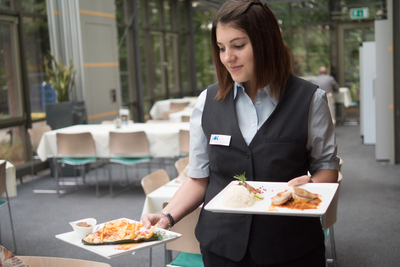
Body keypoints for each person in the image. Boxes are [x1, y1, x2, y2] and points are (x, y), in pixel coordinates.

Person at [141, 1, 339, 266]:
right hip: (222, 248)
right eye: (221, 48)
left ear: (266, 42)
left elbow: (327, 168)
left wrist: (312, 186)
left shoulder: (310, 100)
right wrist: (166, 216)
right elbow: (198, 179)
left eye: (238, 46)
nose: (227, 58)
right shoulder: (207, 101)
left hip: (290, 248)